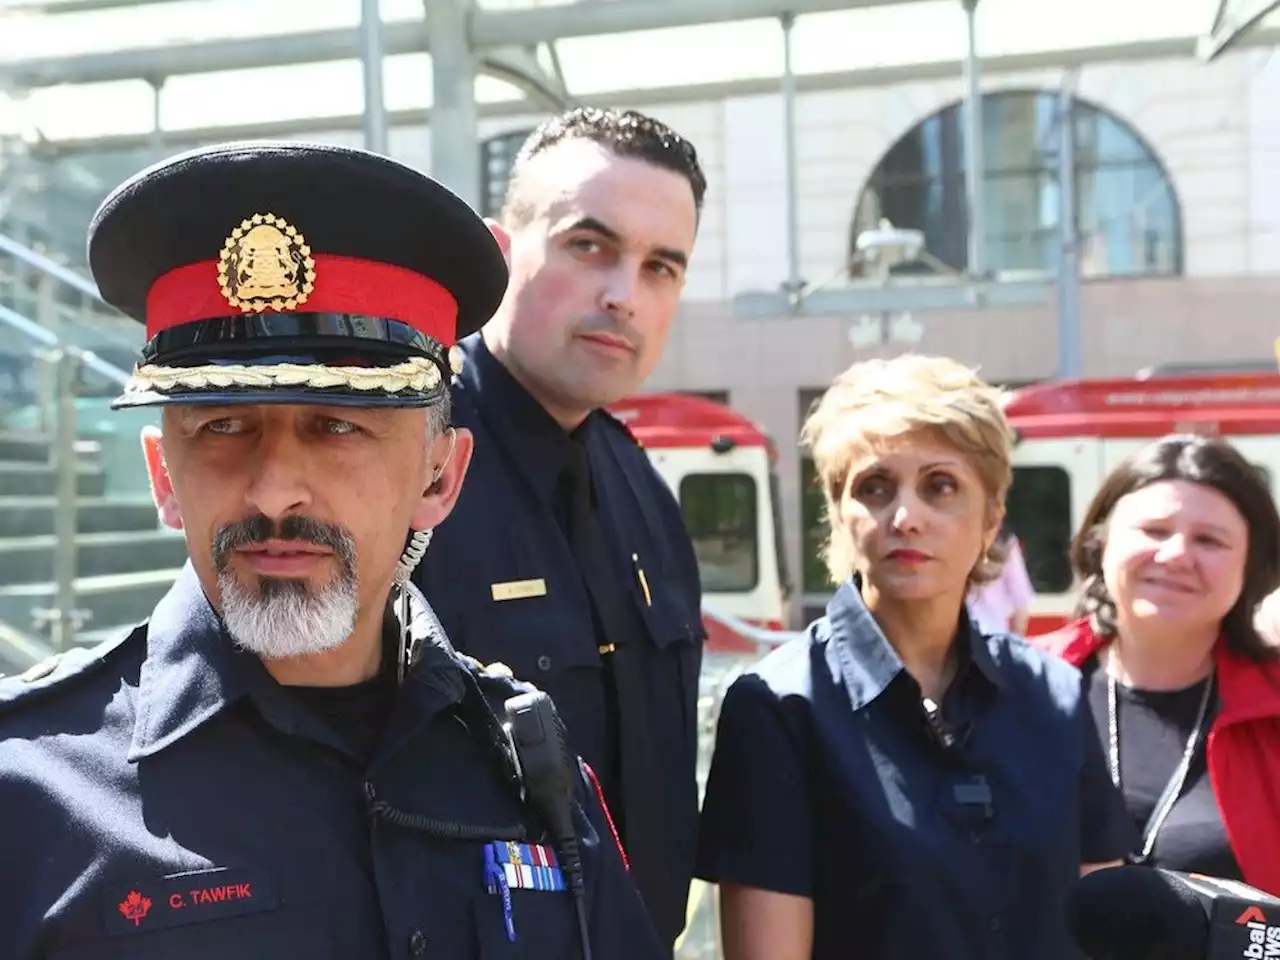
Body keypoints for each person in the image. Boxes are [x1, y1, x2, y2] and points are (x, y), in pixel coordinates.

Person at [0, 141, 667, 959]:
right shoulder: (29, 793)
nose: (275, 489)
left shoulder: (530, 767)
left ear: (440, 477)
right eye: (222, 427)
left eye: (337, 426)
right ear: (162, 476)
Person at [694, 355, 1134, 960]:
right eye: (874, 487)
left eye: (941, 486)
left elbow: (1108, 926)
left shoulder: (1053, 694)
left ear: (992, 517)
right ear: (839, 512)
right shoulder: (780, 706)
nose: (905, 517)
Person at [413, 107, 706, 952]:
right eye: (590, 245)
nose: (625, 293)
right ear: (502, 254)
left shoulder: (641, 483)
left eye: (661, 268)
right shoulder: (401, 463)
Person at [1033, 435, 1280, 894]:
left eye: (1209, 540)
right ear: (1099, 545)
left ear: (1253, 566)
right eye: (1154, 531)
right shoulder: (1012, 683)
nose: (1176, 555)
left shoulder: (1273, 708)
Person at [967, 520, 1036, 635]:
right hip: (994, 636)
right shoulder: (1006, 542)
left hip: (957, 640)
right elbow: (1021, 605)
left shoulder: (951, 538)